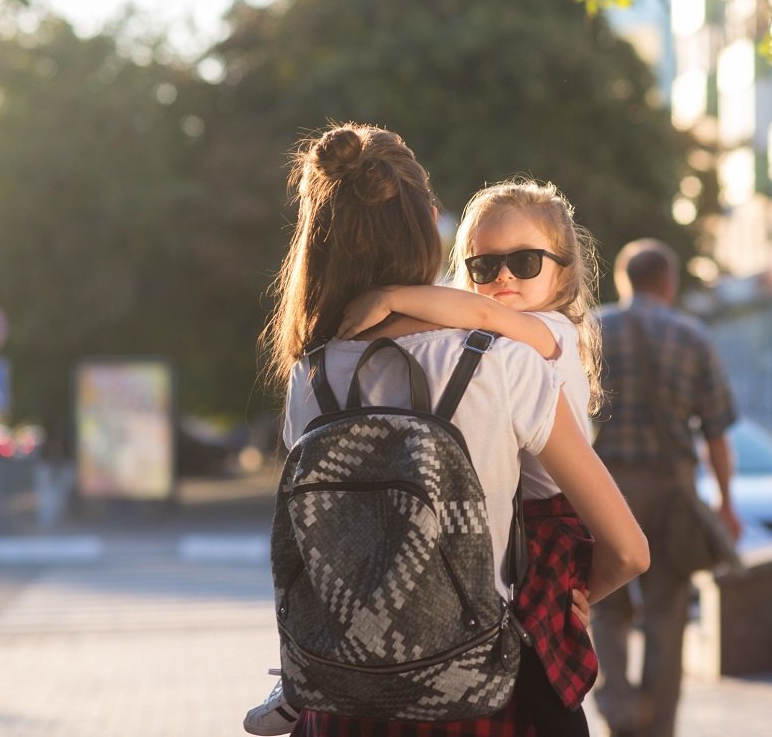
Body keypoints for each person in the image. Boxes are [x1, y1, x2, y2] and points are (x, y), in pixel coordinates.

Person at [252, 124, 649, 737]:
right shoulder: (504, 360)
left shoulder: (310, 375)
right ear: (431, 231)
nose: (503, 277)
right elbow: (628, 550)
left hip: (341, 692)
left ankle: (287, 678)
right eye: (485, 265)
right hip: (473, 687)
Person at [333, 178, 605, 735]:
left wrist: (391, 299)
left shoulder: (548, 331)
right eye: (484, 266)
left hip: (547, 525)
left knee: (525, 681)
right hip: (525, 522)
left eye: (525, 261)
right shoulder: (495, 344)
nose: (503, 276)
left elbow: (479, 318)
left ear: (563, 272)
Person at [589, 238, 740, 737]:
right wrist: (725, 502)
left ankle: (620, 707)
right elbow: (716, 431)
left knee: (605, 602)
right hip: (674, 491)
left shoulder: (592, 331)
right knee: (667, 612)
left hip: (607, 489)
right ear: (669, 282)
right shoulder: (692, 336)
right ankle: (658, 724)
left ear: (625, 280)